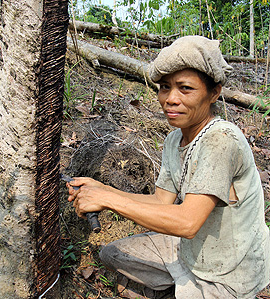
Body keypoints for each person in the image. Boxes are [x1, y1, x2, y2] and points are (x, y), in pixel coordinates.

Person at [68, 35, 270, 298]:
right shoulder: (175, 138)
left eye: (185, 88)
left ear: (214, 92)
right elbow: (162, 201)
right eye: (165, 87)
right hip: (191, 251)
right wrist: (104, 190)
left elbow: (187, 223)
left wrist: (107, 199)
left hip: (229, 273)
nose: (170, 99)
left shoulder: (222, 140)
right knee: (111, 254)